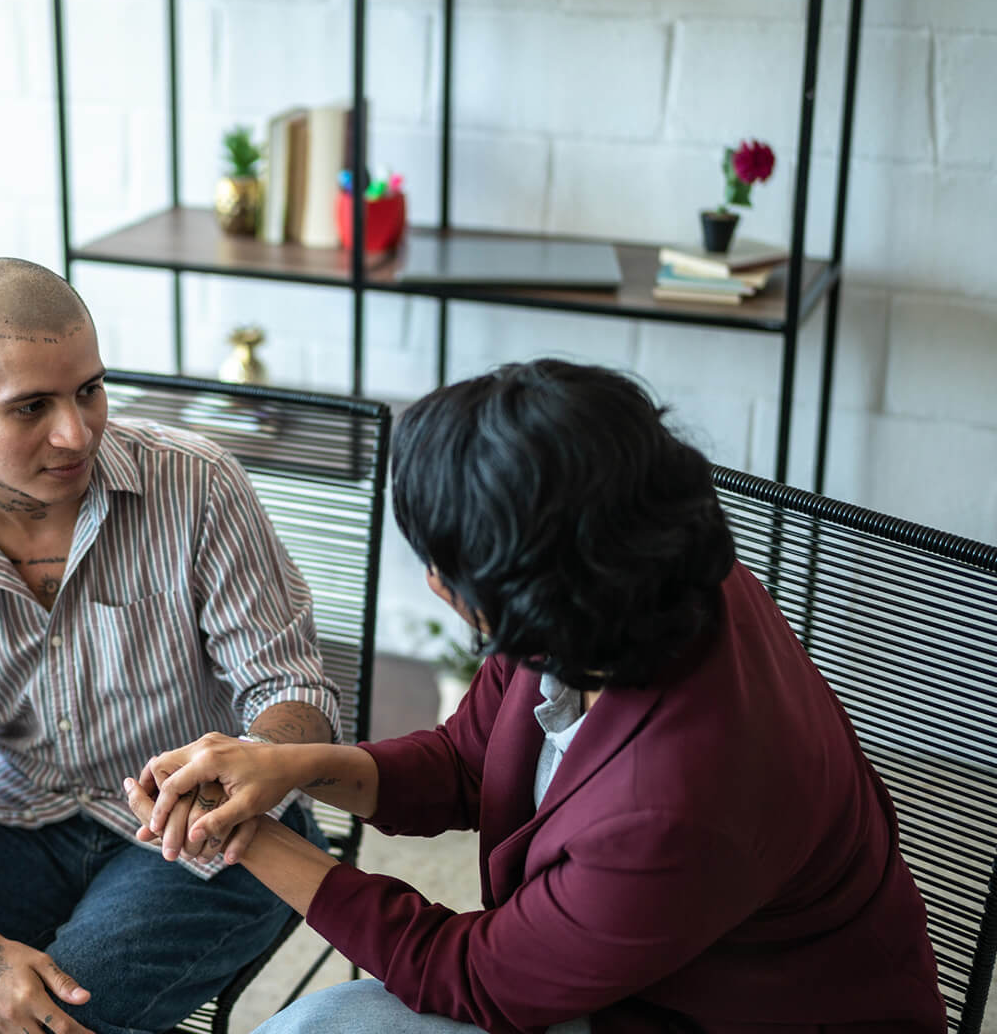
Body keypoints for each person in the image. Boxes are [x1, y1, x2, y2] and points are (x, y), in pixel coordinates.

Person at [129, 359, 945, 1033]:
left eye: (441, 567)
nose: (433, 582)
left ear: (506, 594)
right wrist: (288, 765)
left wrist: (244, 838)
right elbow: (464, 763)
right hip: (646, 960)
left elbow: (470, 974)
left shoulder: (673, 802)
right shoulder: (621, 583)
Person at [0, 257, 342, 1034]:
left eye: (89, 389)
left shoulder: (199, 486)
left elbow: (291, 689)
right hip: (24, 815)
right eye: (30, 408)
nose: (75, 431)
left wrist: (257, 762)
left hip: (212, 827)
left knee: (68, 1007)